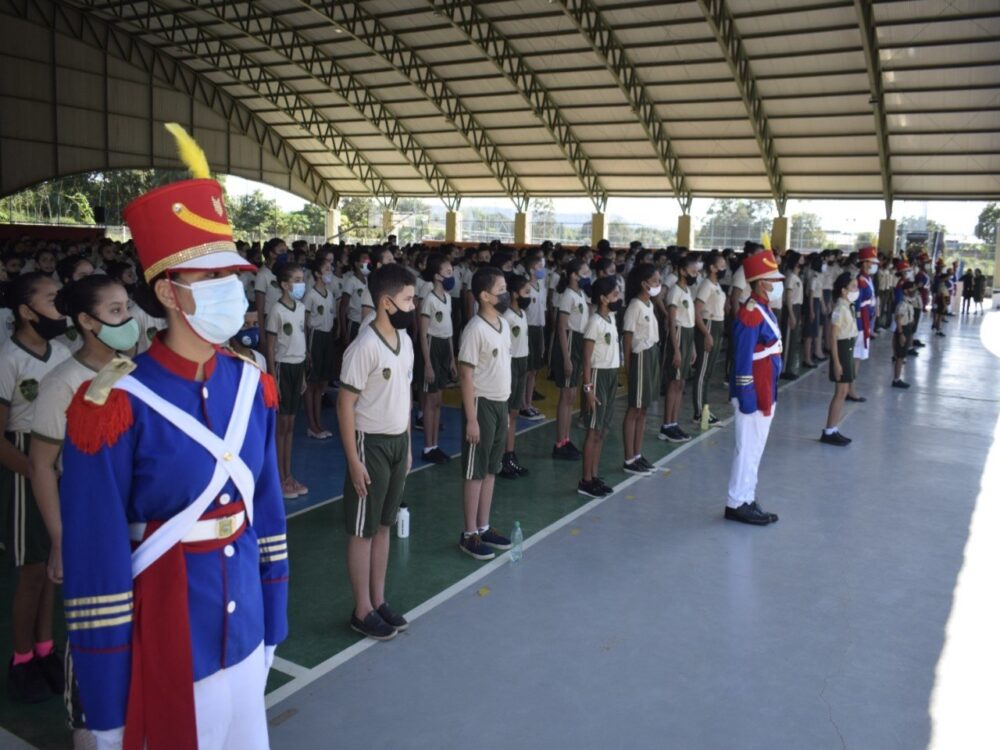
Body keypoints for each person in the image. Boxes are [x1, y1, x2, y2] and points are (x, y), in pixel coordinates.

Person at [60, 123, 288, 750]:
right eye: (211, 280)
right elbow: (96, 560)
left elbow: (264, 510)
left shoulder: (252, 386)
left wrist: (275, 621)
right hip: (164, 636)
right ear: (167, 291)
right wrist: (105, 705)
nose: (232, 294)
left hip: (244, 628)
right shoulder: (110, 405)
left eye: (233, 278)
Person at [29, 275, 138, 743]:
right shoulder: (63, 385)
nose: (128, 318)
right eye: (115, 312)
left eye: (127, 307)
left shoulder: (136, 372)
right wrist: (60, 539)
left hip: (139, 529)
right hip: (91, 534)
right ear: (86, 321)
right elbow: (41, 467)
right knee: (94, 641)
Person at [1, 273, 72, 703]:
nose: (60, 307)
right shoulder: (9, 358)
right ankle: (22, 657)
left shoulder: (62, 352)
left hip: (58, 459)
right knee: (30, 573)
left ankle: (45, 648)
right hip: (25, 464)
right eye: (51, 300)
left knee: (52, 566)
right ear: (26, 311)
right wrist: (37, 471)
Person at [337, 263, 416, 642]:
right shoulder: (364, 347)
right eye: (408, 300)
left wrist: (409, 445)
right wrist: (354, 459)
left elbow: (406, 393)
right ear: (387, 303)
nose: (414, 306)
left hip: (398, 442)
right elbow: (344, 405)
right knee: (363, 531)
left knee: (384, 525)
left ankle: (379, 599)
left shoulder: (407, 343)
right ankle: (362, 608)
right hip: (370, 445)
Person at [457, 267, 513, 561]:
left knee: (491, 469)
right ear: (485, 296)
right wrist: (471, 418)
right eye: (501, 288)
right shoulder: (474, 329)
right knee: (475, 472)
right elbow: (466, 376)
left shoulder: (502, 324)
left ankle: (484, 525)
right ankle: (469, 534)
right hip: (480, 404)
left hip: (499, 402)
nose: (506, 293)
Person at [725, 250, 783, 526]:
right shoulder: (751, 314)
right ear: (761, 282)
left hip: (766, 387)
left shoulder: (762, 308)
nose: (777, 284)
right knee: (747, 448)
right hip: (754, 392)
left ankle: (747, 496)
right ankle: (736, 501)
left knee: (755, 448)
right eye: (773, 279)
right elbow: (742, 357)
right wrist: (746, 394)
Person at [265, 263, 309, 500]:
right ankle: (279, 478)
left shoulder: (301, 308)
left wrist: (302, 376)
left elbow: (301, 342)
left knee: (291, 425)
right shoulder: (276, 311)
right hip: (282, 368)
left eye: (302, 279)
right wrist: (273, 379)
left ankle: (288, 475)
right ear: (284, 285)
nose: (301, 284)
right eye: (296, 279)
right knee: (281, 427)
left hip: (297, 367)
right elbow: (271, 348)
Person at [579, 277, 620, 497]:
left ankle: (594, 475)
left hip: (611, 373)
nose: (618, 298)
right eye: (614, 295)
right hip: (598, 375)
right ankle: (585, 480)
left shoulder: (611, 319)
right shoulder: (594, 322)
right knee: (593, 431)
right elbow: (586, 359)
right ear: (603, 298)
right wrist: (588, 388)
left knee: (602, 430)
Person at [417, 253, 456, 465]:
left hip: (443, 346)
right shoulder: (429, 300)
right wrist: (428, 364)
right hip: (431, 347)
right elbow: (423, 334)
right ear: (437, 277)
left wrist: (451, 358)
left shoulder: (448, 298)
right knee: (430, 401)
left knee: (438, 400)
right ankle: (428, 446)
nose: (452, 276)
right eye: (448, 272)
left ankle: (435, 444)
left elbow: (448, 331)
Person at [621, 264, 660, 476]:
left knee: (643, 408)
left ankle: (637, 454)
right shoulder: (635, 306)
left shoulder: (649, 304)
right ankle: (629, 458)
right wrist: (628, 366)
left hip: (651, 353)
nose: (658, 285)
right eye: (655, 282)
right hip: (640, 357)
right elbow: (627, 338)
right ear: (644, 284)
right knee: (634, 409)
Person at [551, 258, 590, 460]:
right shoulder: (567, 296)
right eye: (584, 272)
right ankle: (560, 443)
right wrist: (567, 358)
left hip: (579, 341)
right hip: (569, 342)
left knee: (571, 396)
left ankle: (566, 439)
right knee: (566, 396)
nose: (587, 276)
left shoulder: (581, 294)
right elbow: (562, 327)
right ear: (574, 275)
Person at [659, 256, 698, 443]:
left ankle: (674, 423)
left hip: (688, 336)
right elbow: (673, 322)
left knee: (681, 383)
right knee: (674, 383)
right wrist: (676, 349)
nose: (695, 275)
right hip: (679, 336)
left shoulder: (687, 291)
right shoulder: (675, 291)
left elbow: (689, 320)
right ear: (682, 271)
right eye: (692, 271)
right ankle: (666, 425)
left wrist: (692, 348)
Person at [499, 275, 532, 479]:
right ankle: (502, 457)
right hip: (510, 364)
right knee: (506, 414)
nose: (529, 296)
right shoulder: (507, 317)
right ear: (514, 294)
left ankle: (510, 455)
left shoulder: (522, 313)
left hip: (522, 362)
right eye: (526, 292)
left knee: (514, 413)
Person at [821, 272, 859, 446]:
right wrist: (836, 362)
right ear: (844, 290)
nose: (856, 289)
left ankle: (834, 428)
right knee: (840, 393)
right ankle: (829, 431)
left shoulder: (848, 306)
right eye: (853, 287)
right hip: (841, 351)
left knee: (843, 392)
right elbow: (833, 338)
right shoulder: (840, 309)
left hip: (848, 349)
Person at [302, 250, 337, 440]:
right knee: (312, 383)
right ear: (317, 273)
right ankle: (312, 424)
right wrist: (307, 348)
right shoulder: (311, 296)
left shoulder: (329, 294)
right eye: (325, 269)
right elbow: (306, 323)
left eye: (330, 268)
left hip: (326, 337)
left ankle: (318, 422)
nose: (329, 271)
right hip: (315, 338)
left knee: (322, 383)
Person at [691, 251, 727, 426]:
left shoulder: (716, 285)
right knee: (702, 372)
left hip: (718, 325)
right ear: (712, 268)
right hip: (709, 325)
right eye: (721, 266)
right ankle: (699, 413)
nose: (724, 268)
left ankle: (705, 409)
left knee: (708, 373)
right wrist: (706, 333)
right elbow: (696, 311)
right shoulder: (706, 285)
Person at [847, 246, 877, 402]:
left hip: (865, 320)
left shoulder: (867, 279)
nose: (874, 265)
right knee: (855, 357)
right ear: (865, 263)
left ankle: (851, 388)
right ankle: (850, 390)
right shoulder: (860, 280)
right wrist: (859, 323)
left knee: (858, 357)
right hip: (860, 322)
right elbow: (857, 303)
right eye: (872, 262)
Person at [520, 251, 547, 420]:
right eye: (539, 267)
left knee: (534, 370)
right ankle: (522, 404)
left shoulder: (541, 286)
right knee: (527, 370)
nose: (542, 270)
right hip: (527, 330)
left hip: (538, 329)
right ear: (531, 270)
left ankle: (529, 402)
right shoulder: (526, 288)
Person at [779, 250, 803, 381]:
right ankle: (784, 369)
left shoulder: (796, 276)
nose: (803, 261)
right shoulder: (791, 278)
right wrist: (792, 315)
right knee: (788, 340)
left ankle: (789, 368)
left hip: (797, 307)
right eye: (800, 259)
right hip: (791, 308)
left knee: (794, 339)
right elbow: (788, 298)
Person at [891, 281, 915, 389]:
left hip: (907, 329)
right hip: (903, 330)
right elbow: (898, 320)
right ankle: (896, 379)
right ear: (905, 290)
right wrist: (901, 334)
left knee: (902, 356)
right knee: (900, 357)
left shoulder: (908, 302)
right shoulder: (902, 304)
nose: (913, 291)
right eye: (911, 289)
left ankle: (898, 378)